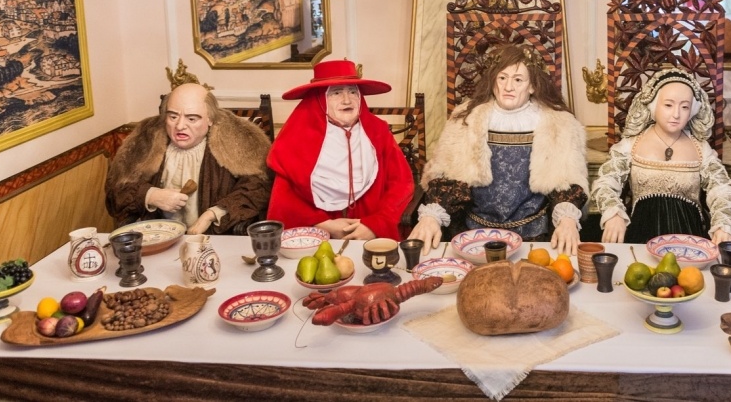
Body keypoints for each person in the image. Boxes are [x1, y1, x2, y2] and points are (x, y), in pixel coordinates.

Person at [408, 43, 589, 256]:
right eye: (502, 78)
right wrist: (432, 216)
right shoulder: (466, 118)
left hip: (533, 237)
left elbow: (565, 182)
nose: (508, 87)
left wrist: (567, 219)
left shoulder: (559, 123)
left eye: (518, 80)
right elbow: (449, 177)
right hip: (475, 235)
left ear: (532, 86)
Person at [591, 67, 731, 245]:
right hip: (641, 236)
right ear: (654, 105)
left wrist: (723, 224)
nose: (676, 114)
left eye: (684, 107)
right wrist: (613, 213)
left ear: (692, 110)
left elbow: (721, 190)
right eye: (668, 105)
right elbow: (605, 182)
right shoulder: (631, 145)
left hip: (689, 239)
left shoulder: (700, 148)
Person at [266, 59, 413, 241]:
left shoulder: (378, 132)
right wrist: (322, 224)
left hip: (369, 234)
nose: (347, 100)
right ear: (320, 99)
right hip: (316, 236)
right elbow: (284, 199)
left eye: (353, 92)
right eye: (336, 93)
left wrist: (375, 224)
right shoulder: (295, 139)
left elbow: (401, 183)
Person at [106, 82, 271, 235]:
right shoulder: (146, 140)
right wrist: (151, 195)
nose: (180, 126)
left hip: (213, 240)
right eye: (173, 117)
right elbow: (116, 192)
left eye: (192, 118)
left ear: (210, 119)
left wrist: (213, 214)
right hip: (158, 239)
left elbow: (258, 188)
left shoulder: (236, 143)